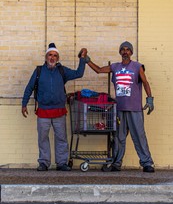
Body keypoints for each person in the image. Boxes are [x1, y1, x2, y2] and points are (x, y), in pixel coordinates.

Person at [84, 41, 155, 173]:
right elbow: (99, 70)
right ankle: (117, 163)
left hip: (135, 109)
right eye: (123, 49)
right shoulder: (115, 67)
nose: (125, 52)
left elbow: (145, 82)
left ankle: (147, 163)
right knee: (119, 137)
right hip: (120, 109)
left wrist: (149, 98)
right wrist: (87, 60)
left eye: (128, 50)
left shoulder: (137, 66)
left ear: (131, 52)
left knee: (139, 136)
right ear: (120, 52)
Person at [22, 43, 87, 171]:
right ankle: (44, 163)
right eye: (50, 55)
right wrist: (24, 104)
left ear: (57, 58)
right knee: (42, 138)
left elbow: (79, 73)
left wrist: (82, 58)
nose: (52, 57)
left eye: (55, 55)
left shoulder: (62, 71)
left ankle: (62, 163)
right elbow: (29, 87)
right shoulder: (39, 71)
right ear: (46, 56)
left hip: (59, 112)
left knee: (61, 138)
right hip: (43, 111)